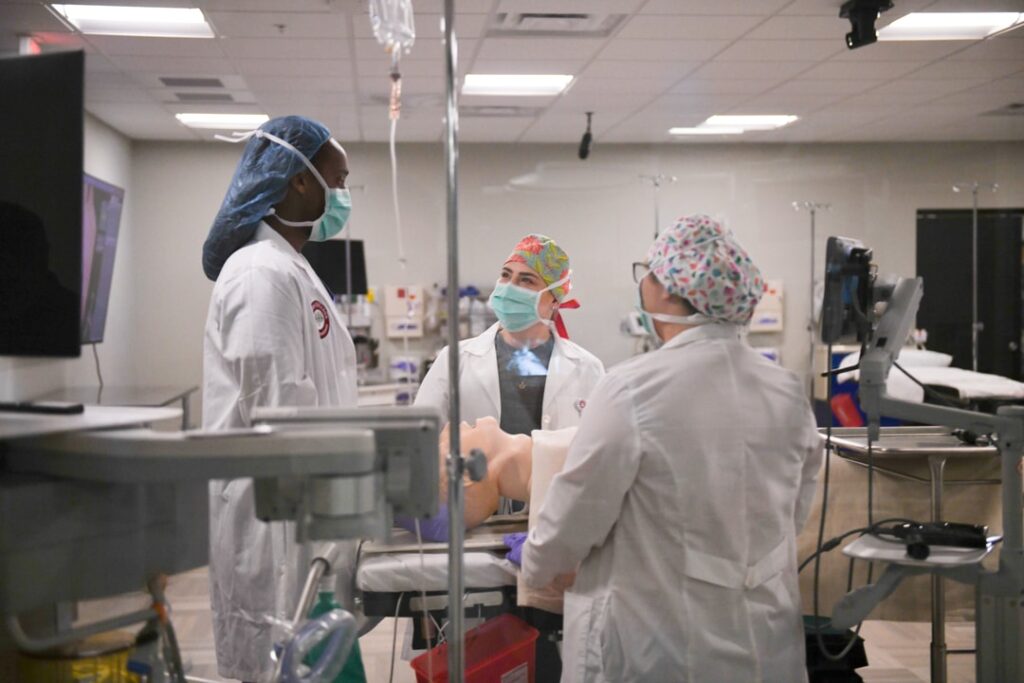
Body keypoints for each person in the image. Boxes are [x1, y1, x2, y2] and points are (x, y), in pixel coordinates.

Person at [514, 214, 824, 682]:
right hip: (764, 639)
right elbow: (793, 515)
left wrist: (535, 560)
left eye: (647, 274)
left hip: (659, 646)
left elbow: (575, 515)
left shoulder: (632, 389)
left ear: (663, 289)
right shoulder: (785, 391)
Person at [201, 115, 365, 683]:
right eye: (336, 180)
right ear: (300, 181)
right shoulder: (260, 273)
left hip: (305, 523)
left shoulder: (289, 268)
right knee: (278, 664)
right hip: (277, 532)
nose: (342, 196)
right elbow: (281, 414)